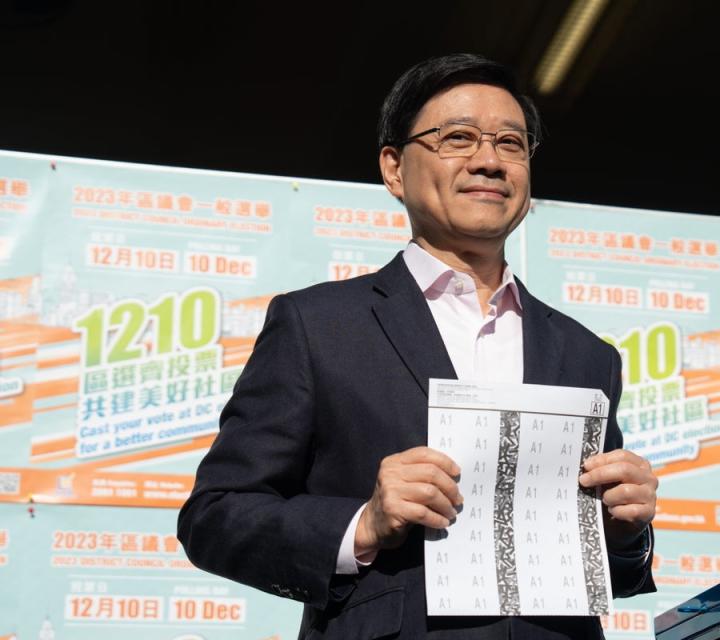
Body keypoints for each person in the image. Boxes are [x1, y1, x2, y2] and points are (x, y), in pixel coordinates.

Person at [178, 53, 658, 640]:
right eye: (458, 137)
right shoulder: (318, 324)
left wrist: (626, 530)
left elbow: (607, 568)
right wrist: (364, 523)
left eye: (511, 144)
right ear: (394, 168)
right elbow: (215, 517)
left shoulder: (589, 355)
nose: (488, 160)